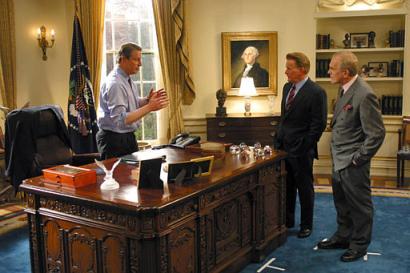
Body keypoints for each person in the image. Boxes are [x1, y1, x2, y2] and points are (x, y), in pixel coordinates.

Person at [317, 51, 385, 262]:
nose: (328, 71)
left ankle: (359, 245)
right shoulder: (344, 87)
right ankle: (343, 236)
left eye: (332, 68)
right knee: (342, 203)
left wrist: (358, 159)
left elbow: (376, 133)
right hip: (339, 160)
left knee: (360, 206)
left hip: (353, 163)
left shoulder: (364, 94)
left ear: (345, 72)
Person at [275, 52, 327, 238]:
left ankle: (306, 225)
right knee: (286, 186)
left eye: (289, 68)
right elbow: (284, 118)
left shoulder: (316, 92)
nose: (285, 71)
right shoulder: (286, 87)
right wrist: (277, 141)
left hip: (302, 150)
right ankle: (287, 220)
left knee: (304, 188)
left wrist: (305, 146)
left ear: (302, 70)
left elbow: (318, 125)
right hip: (283, 148)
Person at [97, 43, 168, 159]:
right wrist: (150, 107)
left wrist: (147, 100)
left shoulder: (126, 79)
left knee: (135, 174)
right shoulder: (115, 83)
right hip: (114, 141)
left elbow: (131, 103)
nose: (140, 64)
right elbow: (121, 119)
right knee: (118, 176)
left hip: (126, 138)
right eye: (136, 59)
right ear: (123, 59)